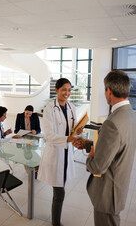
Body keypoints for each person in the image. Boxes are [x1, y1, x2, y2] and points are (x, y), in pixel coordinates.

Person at [73, 70, 136, 226]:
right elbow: (116, 147)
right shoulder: (130, 115)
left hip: (108, 193)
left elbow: (98, 167)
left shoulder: (112, 122)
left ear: (109, 91)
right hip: (119, 187)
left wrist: (89, 157)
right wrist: (88, 144)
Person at [38, 78, 83, 226]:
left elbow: (71, 131)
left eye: (69, 90)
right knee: (59, 193)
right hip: (55, 154)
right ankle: (56, 223)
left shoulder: (71, 107)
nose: (67, 93)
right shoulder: (50, 109)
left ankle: (55, 221)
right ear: (56, 90)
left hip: (66, 153)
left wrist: (78, 131)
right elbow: (49, 136)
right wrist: (70, 138)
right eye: (64, 89)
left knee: (60, 189)